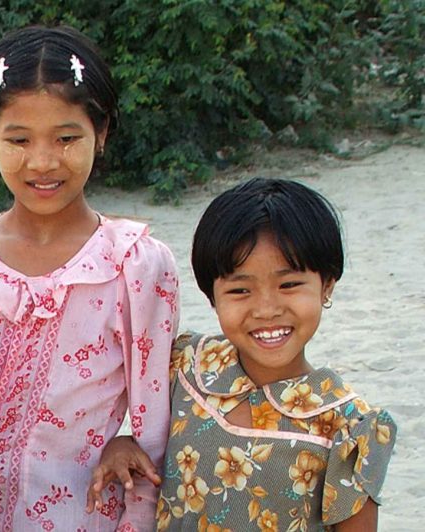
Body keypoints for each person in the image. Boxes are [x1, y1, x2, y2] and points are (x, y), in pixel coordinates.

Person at [0, 25, 179, 531]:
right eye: (19, 139)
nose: (44, 161)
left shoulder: (134, 267)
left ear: (103, 132)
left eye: (67, 138)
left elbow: (152, 430)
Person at [87, 178, 397, 531]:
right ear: (212, 297)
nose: (266, 309)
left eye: (289, 285)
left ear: (326, 284)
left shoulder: (347, 427)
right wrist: (121, 447)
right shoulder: (185, 368)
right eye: (240, 289)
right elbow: (153, 441)